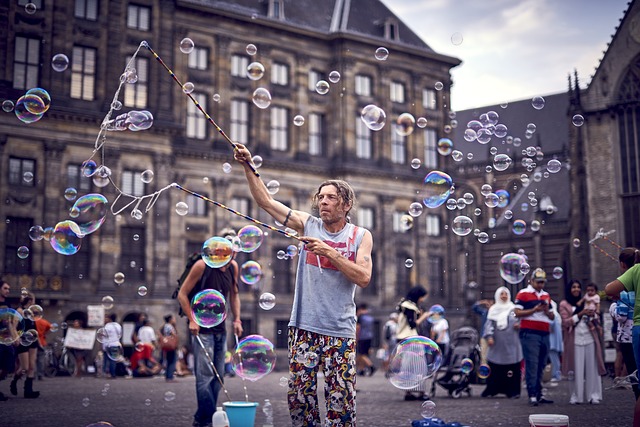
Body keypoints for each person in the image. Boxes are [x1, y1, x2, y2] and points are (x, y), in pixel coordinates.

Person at [235, 144, 373, 427]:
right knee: (300, 400)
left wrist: (330, 252)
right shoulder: (307, 224)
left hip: (339, 330)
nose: (323, 202)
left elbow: (363, 277)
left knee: (341, 402)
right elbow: (266, 203)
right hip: (303, 328)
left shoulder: (360, 235)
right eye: (320, 197)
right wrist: (248, 166)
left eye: (331, 198)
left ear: (346, 205)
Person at [178, 233, 243, 427]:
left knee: (219, 375)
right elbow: (182, 294)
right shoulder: (202, 266)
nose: (232, 253)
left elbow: (234, 295)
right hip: (202, 329)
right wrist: (192, 320)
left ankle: (204, 416)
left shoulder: (233, 267)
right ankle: (206, 419)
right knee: (205, 376)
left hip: (221, 328)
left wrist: (237, 319)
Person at [606, 248, 640, 427]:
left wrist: (613, 307)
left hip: (630, 336)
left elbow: (620, 315)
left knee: (637, 382)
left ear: (622, 265)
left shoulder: (630, 282)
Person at [559, 279, 606, 404]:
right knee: (575, 368)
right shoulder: (564, 304)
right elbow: (565, 322)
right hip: (574, 338)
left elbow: (596, 314)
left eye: (578, 287)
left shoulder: (587, 300)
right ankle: (576, 396)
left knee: (592, 366)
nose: (576, 289)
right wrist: (580, 314)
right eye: (573, 287)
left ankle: (593, 395)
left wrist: (594, 317)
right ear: (569, 289)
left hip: (590, 335)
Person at [514, 268, 555, 407]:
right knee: (532, 364)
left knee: (542, 364)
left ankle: (539, 393)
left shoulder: (546, 295)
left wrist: (547, 311)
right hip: (529, 333)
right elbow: (517, 312)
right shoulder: (523, 294)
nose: (541, 285)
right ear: (531, 281)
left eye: (543, 282)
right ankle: (532, 394)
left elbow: (553, 316)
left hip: (545, 333)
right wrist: (534, 310)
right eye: (538, 282)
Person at [481, 286, 522, 399]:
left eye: (506, 294)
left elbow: (520, 321)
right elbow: (488, 325)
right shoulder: (493, 309)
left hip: (512, 344)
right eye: (501, 294)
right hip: (497, 344)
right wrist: (489, 336)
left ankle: (513, 391)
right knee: (495, 368)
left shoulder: (514, 308)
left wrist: (519, 325)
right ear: (497, 296)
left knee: (512, 369)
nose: (504, 296)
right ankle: (492, 390)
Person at [396, 286, 431, 401]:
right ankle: (421, 392)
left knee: (408, 365)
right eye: (422, 297)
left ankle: (409, 392)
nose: (423, 300)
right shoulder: (409, 307)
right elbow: (413, 324)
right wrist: (424, 316)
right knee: (419, 365)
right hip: (412, 339)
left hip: (405, 339)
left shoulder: (405, 305)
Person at [10, 292, 40, 398]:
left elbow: (34, 326)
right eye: (34, 300)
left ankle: (28, 391)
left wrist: (39, 341)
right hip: (23, 340)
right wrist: (16, 338)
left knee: (32, 367)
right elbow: (14, 326)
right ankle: (14, 380)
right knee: (25, 367)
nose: (35, 302)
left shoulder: (32, 312)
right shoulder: (20, 311)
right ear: (30, 301)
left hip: (33, 339)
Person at [610, 290, 639, 398]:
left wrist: (612, 308)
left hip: (627, 336)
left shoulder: (624, 294)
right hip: (637, 332)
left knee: (627, 360)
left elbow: (621, 316)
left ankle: (620, 379)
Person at [0, 279, 14, 401]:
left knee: (8, 364)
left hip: (5, 339)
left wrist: (15, 337)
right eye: (5, 288)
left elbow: (9, 323)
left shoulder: (8, 304)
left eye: (8, 289)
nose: (7, 291)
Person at [356, 303, 376, 376]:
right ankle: (361, 370)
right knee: (364, 354)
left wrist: (356, 337)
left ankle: (371, 366)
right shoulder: (370, 317)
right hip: (370, 337)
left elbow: (358, 328)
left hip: (362, 337)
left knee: (361, 354)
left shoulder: (361, 317)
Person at [472, 298, 494, 365]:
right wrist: (481, 302)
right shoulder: (484, 312)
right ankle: (484, 369)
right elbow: (474, 308)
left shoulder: (496, 313)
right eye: (488, 303)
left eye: (491, 303)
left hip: (493, 337)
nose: (489, 304)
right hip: (483, 336)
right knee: (483, 354)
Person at [102, 313, 122, 379]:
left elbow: (104, 334)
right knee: (113, 360)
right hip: (116, 344)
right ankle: (113, 374)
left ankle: (106, 373)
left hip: (108, 345)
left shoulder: (108, 326)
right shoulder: (118, 325)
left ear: (110, 319)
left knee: (106, 360)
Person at [548, 301, 563, 382]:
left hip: (552, 341)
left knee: (554, 359)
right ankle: (555, 374)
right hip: (555, 341)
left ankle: (556, 375)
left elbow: (549, 326)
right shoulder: (557, 314)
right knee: (555, 358)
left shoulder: (552, 315)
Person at [160, 314, 178, 382]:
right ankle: (170, 377)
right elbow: (173, 334)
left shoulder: (165, 326)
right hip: (171, 345)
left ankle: (168, 376)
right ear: (170, 319)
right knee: (172, 361)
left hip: (167, 345)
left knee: (168, 360)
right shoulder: (169, 326)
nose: (174, 320)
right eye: (173, 319)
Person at [34, 316, 52, 380]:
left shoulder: (33, 321)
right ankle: (40, 375)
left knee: (33, 359)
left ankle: (33, 374)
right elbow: (51, 328)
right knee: (41, 359)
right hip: (42, 341)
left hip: (33, 342)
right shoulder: (44, 321)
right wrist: (44, 334)